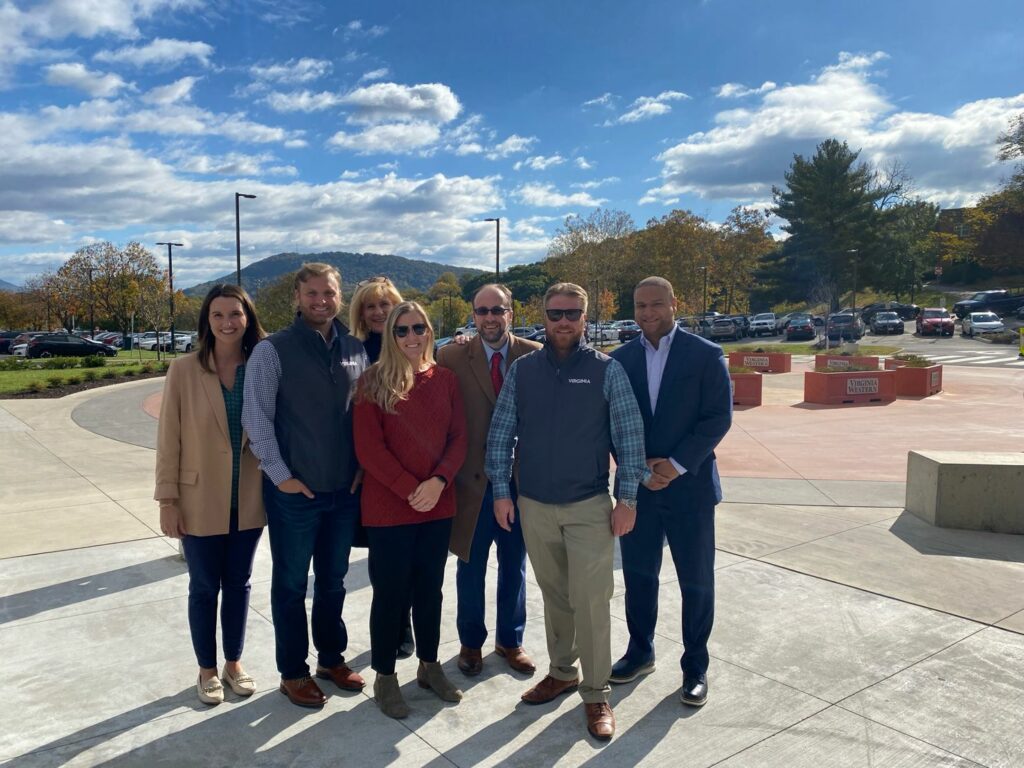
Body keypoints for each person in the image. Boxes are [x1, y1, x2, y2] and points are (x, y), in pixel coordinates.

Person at [485, 282, 651, 742]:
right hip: (534, 505)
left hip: (588, 506)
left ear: (584, 318)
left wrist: (628, 499)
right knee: (555, 596)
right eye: (555, 314)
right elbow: (501, 434)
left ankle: (596, 692)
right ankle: (562, 671)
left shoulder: (606, 371)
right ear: (543, 317)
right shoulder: (523, 371)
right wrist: (502, 491)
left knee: (592, 602)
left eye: (572, 314)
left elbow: (630, 439)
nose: (563, 322)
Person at [242, 262, 368, 709]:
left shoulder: (356, 349)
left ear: (340, 295)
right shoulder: (272, 350)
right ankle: (292, 672)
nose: (321, 301)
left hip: (343, 491)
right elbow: (255, 417)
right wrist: (282, 477)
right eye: (312, 293)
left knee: (333, 582)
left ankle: (331, 659)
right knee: (292, 585)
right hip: (295, 494)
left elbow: (366, 413)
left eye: (329, 293)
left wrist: (362, 468)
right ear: (297, 297)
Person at [608, 276, 732, 707]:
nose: (647, 313)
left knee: (696, 582)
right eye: (640, 305)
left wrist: (676, 466)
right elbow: (612, 422)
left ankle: (695, 666)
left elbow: (717, 419)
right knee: (639, 578)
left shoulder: (706, 355)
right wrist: (641, 468)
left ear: (674, 304)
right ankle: (640, 651)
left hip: (690, 490)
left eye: (656, 304)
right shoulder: (619, 360)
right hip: (639, 489)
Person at [154, 284, 267, 705]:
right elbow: (169, 438)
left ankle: (233, 662)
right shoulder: (184, 370)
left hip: (250, 496)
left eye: (235, 314)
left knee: (239, 584)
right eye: (217, 315)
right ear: (207, 321)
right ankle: (206, 669)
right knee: (204, 587)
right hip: (197, 498)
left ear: (247, 318)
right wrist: (168, 500)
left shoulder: (261, 365)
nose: (227, 323)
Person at [354, 301, 467, 719]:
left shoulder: (447, 380)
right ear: (390, 336)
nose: (412, 337)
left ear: (430, 331)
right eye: (402, 330)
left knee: (430, 591)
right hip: (388, 508)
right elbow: (369, 450)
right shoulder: (371, 382)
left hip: (438, 505)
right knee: (390, 594)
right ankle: (384, 677)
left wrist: (437, 483)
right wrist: (409, 489)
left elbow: (459, 438)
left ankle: (430, 666)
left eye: (419, 328)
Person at [437, 284, 541, 679]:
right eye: (482, 311)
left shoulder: (534, 355)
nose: (490, 317)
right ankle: (470, 642)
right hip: (471, 484)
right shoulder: (450, 356)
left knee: (514, 563)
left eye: (498, 310)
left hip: (519, 482)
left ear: (511, 313)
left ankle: (510, 641)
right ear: (473, 315)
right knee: (470, 565)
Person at [348, 275, 416, 658]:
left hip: (412, 472)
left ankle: (404, 624)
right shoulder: (353, 353)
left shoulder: (413, 347)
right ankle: (390, 625)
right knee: (382, 555)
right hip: (369, 471)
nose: (378, 312)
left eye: (385, 305)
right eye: (370, 306)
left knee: (408, 555)